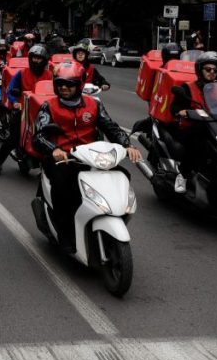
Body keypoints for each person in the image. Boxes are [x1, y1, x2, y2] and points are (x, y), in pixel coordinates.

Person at [33, 62, 141, 253]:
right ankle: (64, 233)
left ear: (80, 84)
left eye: (69, 84)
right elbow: (38, 136)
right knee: (64, 187)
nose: (64, 88)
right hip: (63, 159)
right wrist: (53, 149)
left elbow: (112, 127)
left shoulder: (94, 104)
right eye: (60, 84)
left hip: (92, 157)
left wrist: (128, 145)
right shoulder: (48, 107)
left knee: (122, 176)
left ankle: (114, 216)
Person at [169, 50, 217, 193]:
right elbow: (174, 107)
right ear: (200, 70)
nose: (212, 72)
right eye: (208, 69)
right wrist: (182, 111)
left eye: (215, 70)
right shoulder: (187, 88)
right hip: (189, 128)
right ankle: (183, 175)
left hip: (213, 129)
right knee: (197, 141)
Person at [0, 45, 52, 176]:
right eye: (34, 58)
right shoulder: (22, 73)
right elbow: (10, 90)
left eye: (39, 58)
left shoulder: (49, 75)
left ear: (44, 60)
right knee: (13, 138)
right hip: (23, 111)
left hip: (43, 113)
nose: (36, 61)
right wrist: (15, 103)